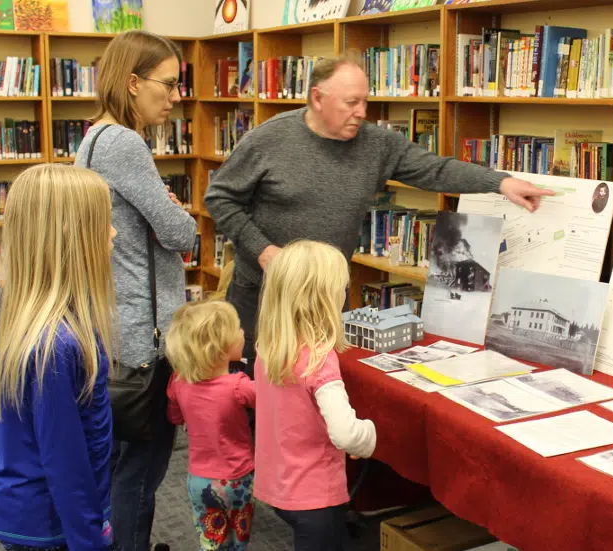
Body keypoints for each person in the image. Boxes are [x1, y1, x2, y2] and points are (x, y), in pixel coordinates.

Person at [204, 55, 555, 373]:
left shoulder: (375, 144)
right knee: (253, 391)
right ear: (317, 98)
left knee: (321, 388)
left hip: (326, 295)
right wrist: (263, 252)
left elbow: (434, 169)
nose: (361, 112)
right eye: (351, 103)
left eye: (365, 102)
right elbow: (220, 198)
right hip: (264, 292)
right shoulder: (268, 140)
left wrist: (500, 182)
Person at [75, 29, 198, 551]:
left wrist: (161, 208)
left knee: (123, 461)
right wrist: (176, 212)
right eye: (167, 85)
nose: (175, 97)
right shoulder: (125, 144)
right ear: (132, 83)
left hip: (117, 321)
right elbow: (181, 235)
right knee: (139, 470)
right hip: (143, 335)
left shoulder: (95, 136)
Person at [0, 163, 118, 551]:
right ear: (69, 235)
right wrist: (90, 540)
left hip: (50, 514)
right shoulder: (54, 345)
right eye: (103, 223)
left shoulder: (55, 325)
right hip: (49, 524)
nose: (114, 233)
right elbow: (65, 462)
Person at [253, 240, 377, 551]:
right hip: (316, 497)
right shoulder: (320, 360)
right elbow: (347, 434)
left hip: (277, 485)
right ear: (324, 300)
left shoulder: (269, 348)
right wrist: (369, 435)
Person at [165, 300, 256, 550]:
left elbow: (175, 417)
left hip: (200, 481)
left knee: (211, 540)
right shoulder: (238, 385)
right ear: (223, 347)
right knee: (239, 541)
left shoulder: (178, 382)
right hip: (239, 479)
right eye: (238, 329)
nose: (243, 333)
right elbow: (270, 400)